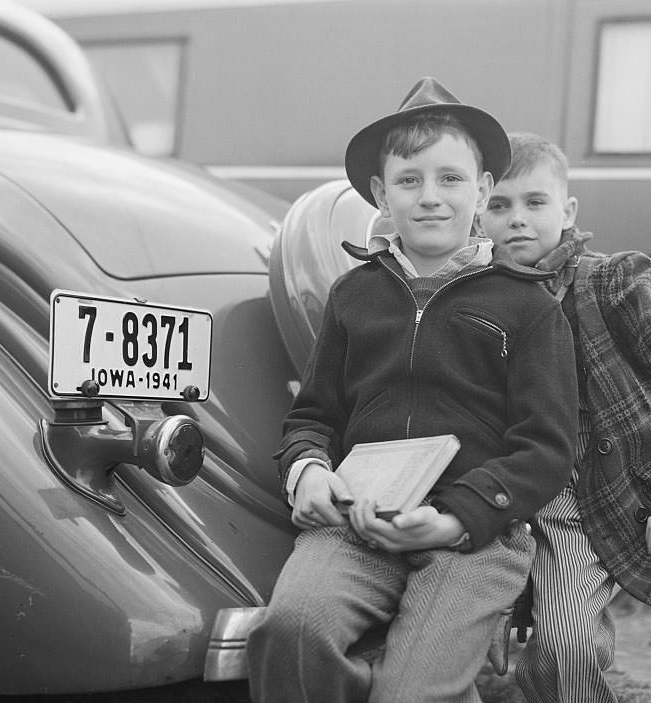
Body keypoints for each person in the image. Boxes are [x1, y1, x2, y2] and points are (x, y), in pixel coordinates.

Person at [246, 83, 578, 703]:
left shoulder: (527, 306)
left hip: (470, 539)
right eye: (408, 181)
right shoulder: (355, 296)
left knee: (412, 691)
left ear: (481, 191)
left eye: (451, 179)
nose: (430, 198)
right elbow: (313, 414)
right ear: (379, 194)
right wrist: (310, 472)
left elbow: (547, 448)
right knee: (291, 629)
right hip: (355, 525)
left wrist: (456, 518)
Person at [478, 132, 651, 703]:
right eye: (499, 205)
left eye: (535, 203)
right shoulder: (476, 306)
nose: (517, 220)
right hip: (562, 508)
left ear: (568, 210)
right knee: (561, 651)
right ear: (477, 212)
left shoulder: (612, 281)